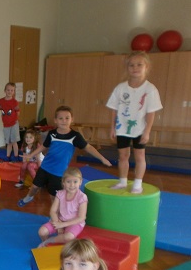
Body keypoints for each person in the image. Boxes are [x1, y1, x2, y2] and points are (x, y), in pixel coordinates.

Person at [17, 105, 111, 207]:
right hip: (45, 167)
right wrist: (31, 154)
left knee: (53, 196)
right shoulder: (52, 134)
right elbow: (43, 146)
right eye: (60, 118)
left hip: (58, 172)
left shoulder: (75, 136)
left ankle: (55, 214)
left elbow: (88, 147)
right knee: (34, 187)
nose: (64, 121)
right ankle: (29, 197)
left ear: (72, 119)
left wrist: (102, 158)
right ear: (55, 120)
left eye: (67, 118)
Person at [107, 51, 163, 194]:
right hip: (122, 128)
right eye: (131, 65)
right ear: (127, 68)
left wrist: (147, 131)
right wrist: (112, 127)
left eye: (139, 65)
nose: (135, 68)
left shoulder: (150, 89)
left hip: (139, 128)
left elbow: (151, 112)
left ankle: (138, 184)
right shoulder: (120, 88)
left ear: (146, 67)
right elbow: (113, 109)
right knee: (123, 156)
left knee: (139, 156)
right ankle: (122, 181)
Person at [38, 168, 87, 247]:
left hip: (74, 223)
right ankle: (45, 243)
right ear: (63, 182)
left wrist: (63, 225)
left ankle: (50, 241)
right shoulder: (60, 194)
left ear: (80, 182)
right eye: (68, 182)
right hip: (60, 220)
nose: (72, 185)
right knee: (42, 232)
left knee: (69, 237)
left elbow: (81, 217)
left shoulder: (82, 197)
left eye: (75, 182)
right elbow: (53, 211)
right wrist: (58, 224)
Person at [0, 82, 21, 161]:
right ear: (5, 90)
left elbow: (18, 112)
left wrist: (13, 120)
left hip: (13, 124)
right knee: (8, 142)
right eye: (8, 90)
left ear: (14, 92)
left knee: (14, 141)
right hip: (6, 125)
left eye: (12, 90)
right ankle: (7, 157)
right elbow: (2, 110)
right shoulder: (1, 101)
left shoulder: (15, 102)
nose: (10, 92)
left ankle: (16, 157)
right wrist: (5, 120)